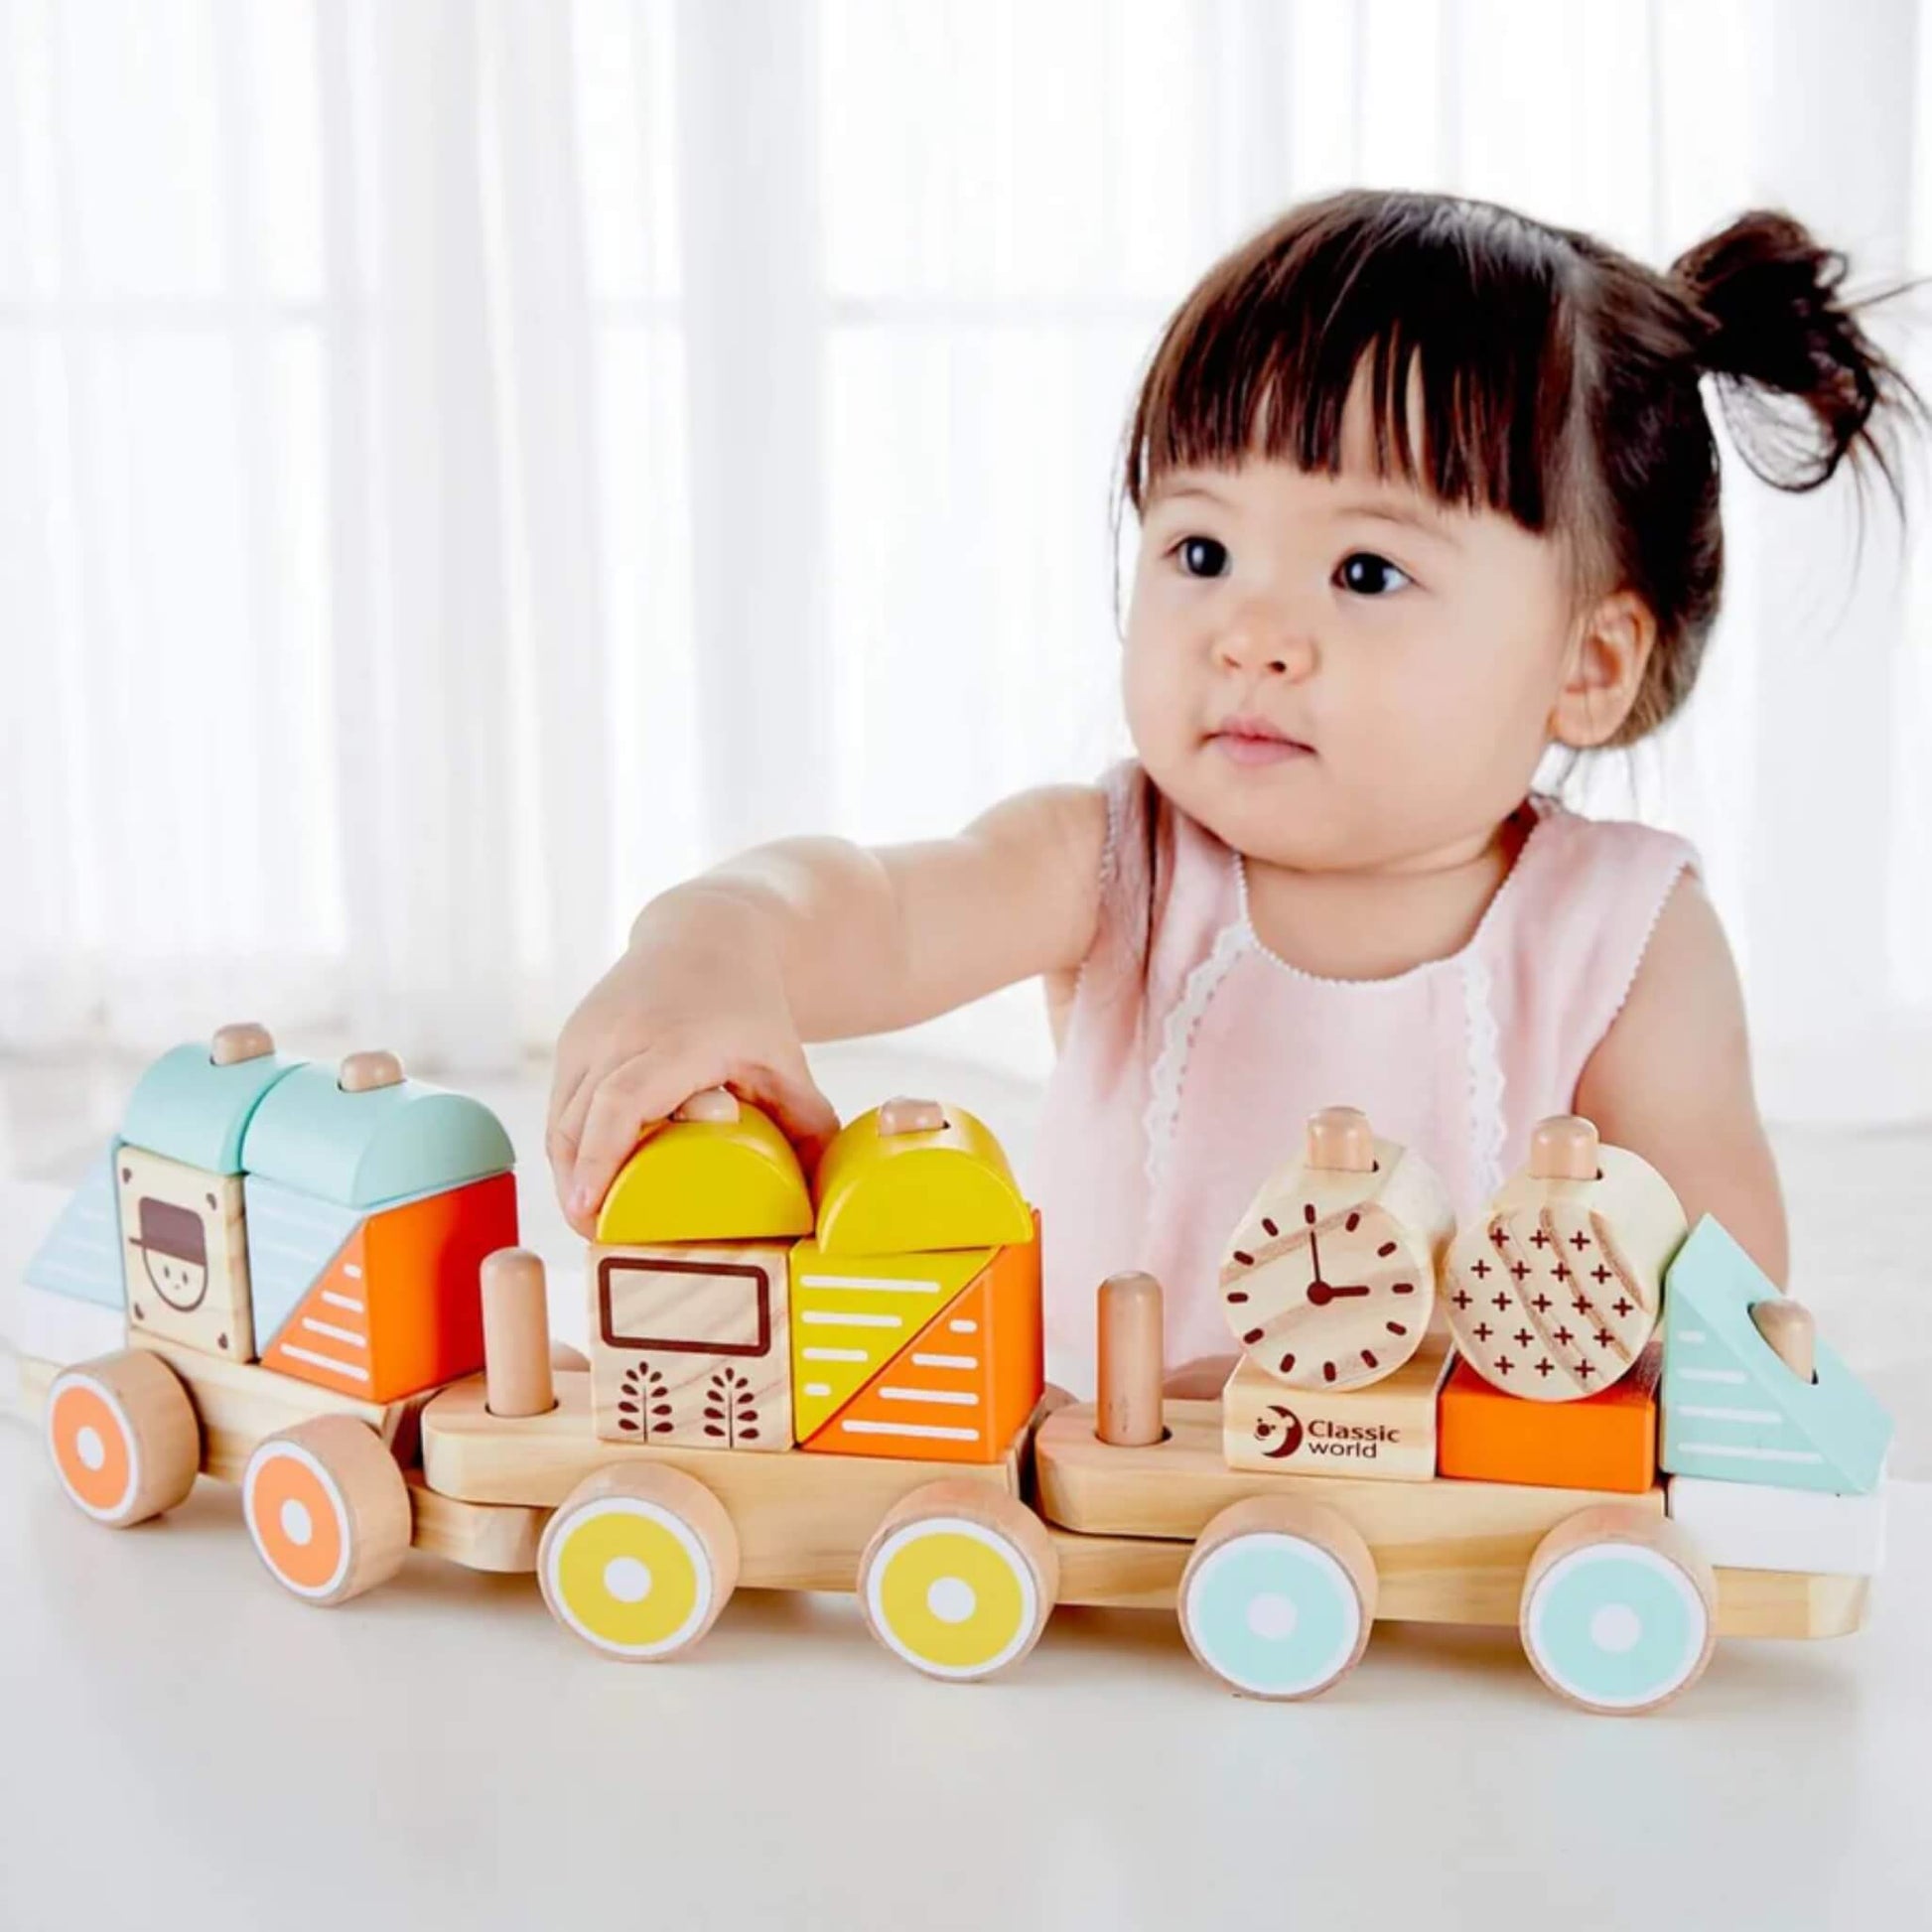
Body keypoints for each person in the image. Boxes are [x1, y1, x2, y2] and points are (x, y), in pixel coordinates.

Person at [546, 188, 1925, 1392]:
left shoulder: (1621, 933)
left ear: (1587, 661)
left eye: (1364, 572)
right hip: (1113, 1514)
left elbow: (1722, 1291)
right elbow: (875, 907)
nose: (1249, 631)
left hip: (1450, 1536)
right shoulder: (1118, 858)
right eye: (1199, 550)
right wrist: (715, 939)